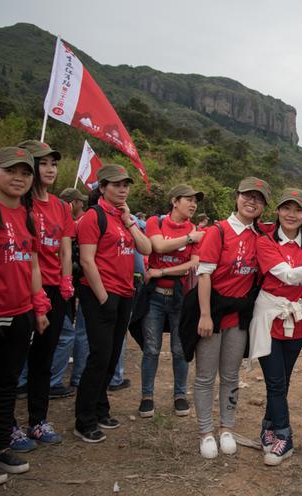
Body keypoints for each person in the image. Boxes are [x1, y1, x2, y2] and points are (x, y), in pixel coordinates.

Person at [249, 188, 302, 466]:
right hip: (268, 319)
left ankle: (269, 425)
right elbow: (287, 276)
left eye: (298, 210)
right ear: (277, 211)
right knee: (275, 381)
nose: (291, 214)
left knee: (282, 382)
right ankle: (284, 437)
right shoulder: (265, 243)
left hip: (296, 322)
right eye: (286, 208)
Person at [75, 164, 152, 443]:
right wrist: (103, 297)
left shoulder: (122, 218)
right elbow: (86, 259)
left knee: (111, 355)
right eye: (116, 185)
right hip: (101, 294)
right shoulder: (93, 217)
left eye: (126, 185)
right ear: (102, 187)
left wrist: (130, 219)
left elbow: (146, 249)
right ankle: (84, 419)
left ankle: (100, 407)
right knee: (99, 356)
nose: (122, 189)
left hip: (124, 294)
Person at [0, 147, 50, 485]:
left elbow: (33, 263)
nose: (19, 178)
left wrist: (38, 306)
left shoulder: (25, 216)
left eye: (25, 173)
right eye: (12, 171)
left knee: (6, 384)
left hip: (20, 314)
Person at [194, 177, 269, 459]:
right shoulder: (219, 231)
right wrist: (204, 315)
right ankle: (205, 432)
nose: (252, 202)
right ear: (236, 197)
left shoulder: (260, 237)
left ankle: (226, 427)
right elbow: (204, 275)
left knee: (230, 375)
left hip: (239, 318)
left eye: (259, 199)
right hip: (212, 313)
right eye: (247, 196)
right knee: (204, 376)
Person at [8, 140, 75, 449]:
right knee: (12, 358)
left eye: (54, 164)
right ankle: (7, 424)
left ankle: (37, 421)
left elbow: (64, 248)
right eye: (43, 163)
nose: (50, 169)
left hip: (55, 290)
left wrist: (65, 282)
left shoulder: (62, 206)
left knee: (44, 357)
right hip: (22, 288)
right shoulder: (18, 203)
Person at [138, 185, 205, 418]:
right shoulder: (156, 222)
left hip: (180, 297)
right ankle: (147, 396)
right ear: (174, 201)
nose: (193, 204)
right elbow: (158, 246)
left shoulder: (195, 229)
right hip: (154, 297)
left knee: (179, 349)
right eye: (189, 199)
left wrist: (162, 272)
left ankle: (180, 395)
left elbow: (193, 263)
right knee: (151, 348)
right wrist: (187, 238)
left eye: (196, 201)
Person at [48, 188, 89, 399]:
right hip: (51, 285)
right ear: (72, 203)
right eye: (79, 202)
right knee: (65, 334)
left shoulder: (69, 223)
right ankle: (52, 381)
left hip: (62, 284)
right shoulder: (66, 224)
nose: (82, 204)